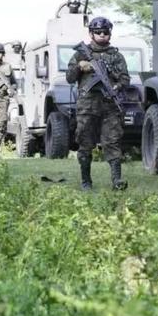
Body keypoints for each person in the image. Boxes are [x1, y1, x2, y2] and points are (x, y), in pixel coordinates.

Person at [65, 16, 130, 191]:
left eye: (105, 32)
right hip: (87, 106)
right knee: (84, 142)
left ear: (110, 34)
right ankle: (86, 181)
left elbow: (125, 79)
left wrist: (116, 87)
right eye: (98, 32)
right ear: (91, 34)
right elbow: (69, 78)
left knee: (113, 141)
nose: (102, 35)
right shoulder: (81, 54)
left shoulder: (116, 56)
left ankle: (117, 180)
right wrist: (79, 66)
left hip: (110, 106)